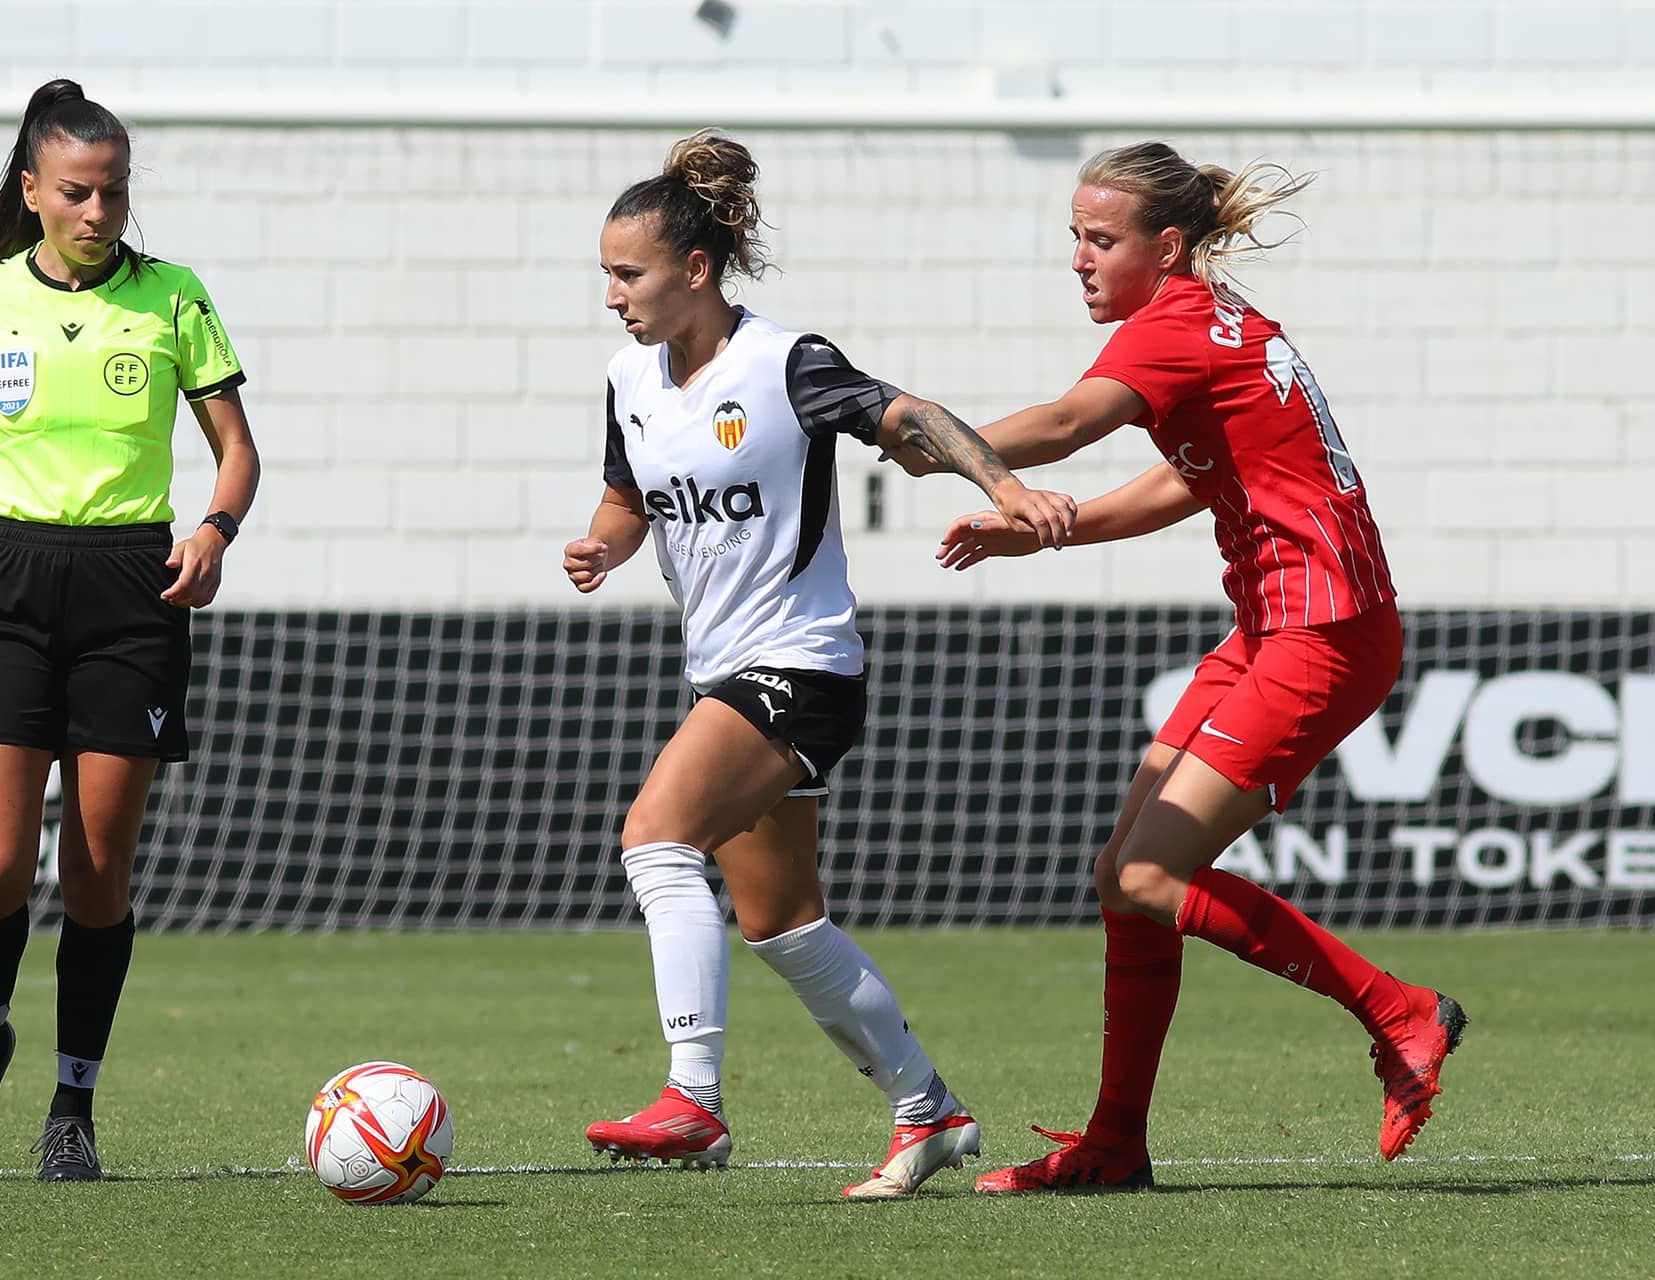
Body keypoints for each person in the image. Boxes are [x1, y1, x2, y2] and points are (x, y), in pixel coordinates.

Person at [919, 140, 1465, 1191]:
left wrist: (932, 434)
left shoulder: (1171, 324)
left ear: (1165, 245)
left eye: (1100, 238)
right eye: (1073, 236)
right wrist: (1043, 533)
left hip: (1320, 630)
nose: (1079, 258)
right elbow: (1184, 483)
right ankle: (1115, 1142)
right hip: (1276, 624)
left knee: (1147, 872)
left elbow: (1073, 424)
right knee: (1123, 882)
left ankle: (1399, 1007)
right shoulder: (1219, 315)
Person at [564, 131, 1076, 1198]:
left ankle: (694, 1097)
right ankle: (928, 1108)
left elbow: (913, 415)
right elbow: (626, 498)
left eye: (629, 273)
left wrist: (1002, 488)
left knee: (655, 838)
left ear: (694, 268)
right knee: (783, 921)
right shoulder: (627, 379)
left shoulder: (786, 363)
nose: (612, 294)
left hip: (801, 665)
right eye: (606, 274)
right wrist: (602, 545)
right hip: (725, 668)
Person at [0, 79, 259, 1183]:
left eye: (113, 190)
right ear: (32, 189)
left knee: (100, 869)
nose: (98, 210)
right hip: (7, 584)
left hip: (133, 588)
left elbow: (239, 451)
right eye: (76, 190)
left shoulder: (174, 298)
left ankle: (72, 1101)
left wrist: (215, 527)